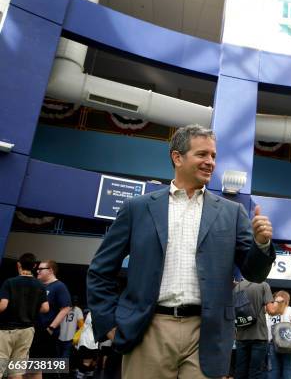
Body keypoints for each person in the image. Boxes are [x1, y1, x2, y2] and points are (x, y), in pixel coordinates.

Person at [87, 124, 276, 379]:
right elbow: (100, 271)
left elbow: (254, 273)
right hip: (148, 330)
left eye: (213, 156)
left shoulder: (232, 213)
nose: (210, 162)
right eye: (202, 154)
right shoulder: (138, 208)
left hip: (207, 334)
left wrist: (261, 244)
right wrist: (108, 324)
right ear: (178, 157)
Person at [0, 253, 49, 379]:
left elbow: (3, 305)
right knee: (16, 371)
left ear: (18, 265)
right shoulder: (40, 285)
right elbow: (45, 308)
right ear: (34, 266)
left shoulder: (10, 282)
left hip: (7, 330)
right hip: (27, 331)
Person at [28, 259, 71, 379]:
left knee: (43, 368)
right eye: (38, 269)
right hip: (32, 331)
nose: (38, 271)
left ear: (50, 270)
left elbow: (66, 308)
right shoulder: (38, 285)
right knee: (29, 367)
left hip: (46, 333)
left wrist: (51, 328)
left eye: (41, 269)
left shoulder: (59, 286)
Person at [233, 279, 276, 379]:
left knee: (240, 371)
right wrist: (278, 302)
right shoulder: (263, 285)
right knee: (255, 372)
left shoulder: (237, 287)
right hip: (259, 336)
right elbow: (271, 311)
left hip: (241, 336)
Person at [266, 290, 291, 379]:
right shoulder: (289, 310)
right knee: (287, 370)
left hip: (272, 343)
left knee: (273, 370)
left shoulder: (270, 311)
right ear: (287, 300)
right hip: (288, 343)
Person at [58, 296, 84, 363]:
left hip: (59, 336)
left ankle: (58, 371)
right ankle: (61, 372)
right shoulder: (78, 310)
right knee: (65, 357)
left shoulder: (61, 308)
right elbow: (81, 326)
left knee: (59, 356)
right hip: (71, 337)